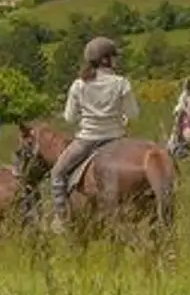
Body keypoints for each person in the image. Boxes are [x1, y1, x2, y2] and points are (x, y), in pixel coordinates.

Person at [50, 36, 139, 233]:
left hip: (87, 140)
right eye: (114, 57)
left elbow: (69, 118)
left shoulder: (79, 85)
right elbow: (133, 113)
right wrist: (121, 117)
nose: (116, 60)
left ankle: (61, 217)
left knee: (57, 173)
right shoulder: (121, 83)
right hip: (117, 139)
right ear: (106, 59)